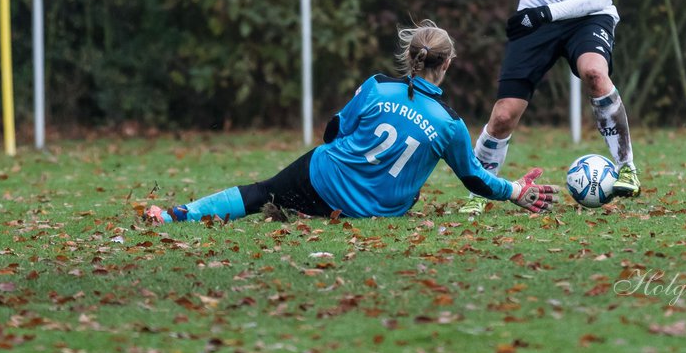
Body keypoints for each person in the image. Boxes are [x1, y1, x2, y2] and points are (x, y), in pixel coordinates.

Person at [138, 20, 557, 223]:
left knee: (260, 193)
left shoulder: (376, 87)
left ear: (411, 56)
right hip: (375, 211)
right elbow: (475, 180)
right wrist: (514, 190)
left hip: (321, 182)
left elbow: (333, 132)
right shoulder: (449, 124)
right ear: (448, 63)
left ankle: (175, 216)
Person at [439, 0, 641, 202]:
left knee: (594, 72)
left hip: (588, 16)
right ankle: (478, 194)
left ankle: (627, 169)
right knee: (504, 114)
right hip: (536, 14)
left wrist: (544, 14)